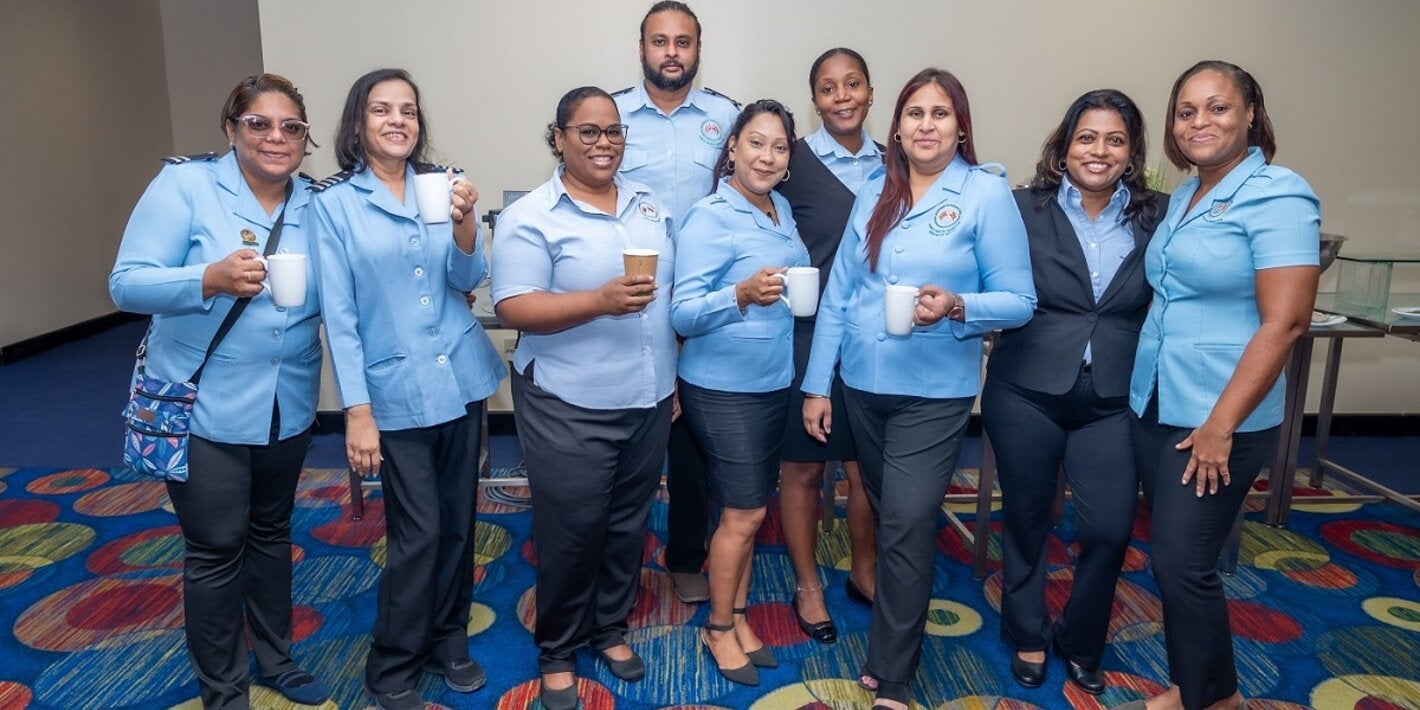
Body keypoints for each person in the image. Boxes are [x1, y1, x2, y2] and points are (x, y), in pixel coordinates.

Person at [801, 68, 1036, 710]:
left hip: (933, 392)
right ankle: (893, 646)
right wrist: (817, 386)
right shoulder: (875, 188)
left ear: (960, 125)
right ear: (897, 127)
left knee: (905, 523)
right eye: (914, 114)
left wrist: (958, 306)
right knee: (886, 508)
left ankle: (893, 676)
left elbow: (1019, 300)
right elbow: (841, 295)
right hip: (861, 385)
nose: (926, 125)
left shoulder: (986, 195)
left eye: (940, 114)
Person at [109, 73, 330, 709]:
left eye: (291, 127)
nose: (275, 137)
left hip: (286, 405)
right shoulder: (187, 186)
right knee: (215, 549)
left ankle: (277, 659)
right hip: (200, 403)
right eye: (258, 123)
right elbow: (126, 284)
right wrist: (206, 277)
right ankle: (224, 689)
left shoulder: (315, 202)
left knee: (271, 534)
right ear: (231, 129)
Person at [1120, 61, 1319, 710]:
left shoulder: (1280, 194)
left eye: (1217, 108)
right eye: (1186, 111)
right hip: (1158, 399)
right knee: (1177, 562)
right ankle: (1200, 688)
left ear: (1251, 114)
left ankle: (1216, 699)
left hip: (1217, 417)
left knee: (1183, 563)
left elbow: (1285, 321)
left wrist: (1219, 425)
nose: (1200, 122)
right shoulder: (1186, 195)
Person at [310, 68, 506, 710]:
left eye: (409, 110)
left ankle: (449, 638)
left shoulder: (441, 185)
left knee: (458, 524)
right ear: (358, 122)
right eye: (382, 109)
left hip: (461, 376)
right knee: (417, 533)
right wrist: (356, 414)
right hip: (393, 392)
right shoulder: (334, 205)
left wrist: (467, 219)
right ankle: (392, 664)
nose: (398, 120)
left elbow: (468, 278)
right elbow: (339, 317)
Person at [490, 86, 677, 710]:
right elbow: (513, 305)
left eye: (614, 132)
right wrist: (597, 300)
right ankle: (559, 650)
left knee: (628, 524)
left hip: (647, 397)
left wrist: (667, 381)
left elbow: (668, 299)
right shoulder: (533, 216)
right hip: (568, 400)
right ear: (560, 137)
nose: (604, 143)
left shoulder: (649, 205)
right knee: (572, 530)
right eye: (589, 132)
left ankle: (610, 626)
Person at [980, 89, 1165, 694]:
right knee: (1028, 518)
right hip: (1027, 390)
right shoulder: (1018, 208)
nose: (1100, 150)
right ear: (1063, 147)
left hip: (1113, 398)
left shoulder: (1158, 216)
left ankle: (1083, 639)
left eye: (1115, 139)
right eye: (1087, 137)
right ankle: (1029, 632)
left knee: (1109, 529)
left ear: (1132, 152)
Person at [671, 100, 807, 686]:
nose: (767, 157)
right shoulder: (709, 216)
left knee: (746, 511)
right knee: (746, 512)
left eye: (779, 148)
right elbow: (681, 311)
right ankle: (719, 628)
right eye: (756, 143)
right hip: (722, 386)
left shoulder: (780, 210)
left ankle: (743, 616)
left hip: (772, 380)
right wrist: (741, 295)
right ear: (732, 148)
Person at [613, 0, 740, 604]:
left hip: (705, 301)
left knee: (693, 436)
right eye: (660, 41)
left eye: (683, 42)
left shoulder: (727, 117)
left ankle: (688, 555)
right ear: (642, 48)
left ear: (697, 49)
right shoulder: (609, 115)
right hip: (626, 299)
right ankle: (619, 563)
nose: (671, 53)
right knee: (629, 437)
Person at [774, 47, 883, 645]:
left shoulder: (899, 162)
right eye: (827, 87)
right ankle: (807, 584)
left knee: (866, 470)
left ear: (870, 92)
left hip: (873, 338)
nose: (841, 96)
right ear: (813, 99)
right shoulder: (789, 161)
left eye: (852, 84)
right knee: (803, 469)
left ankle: (865, 570)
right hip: (807, 334)